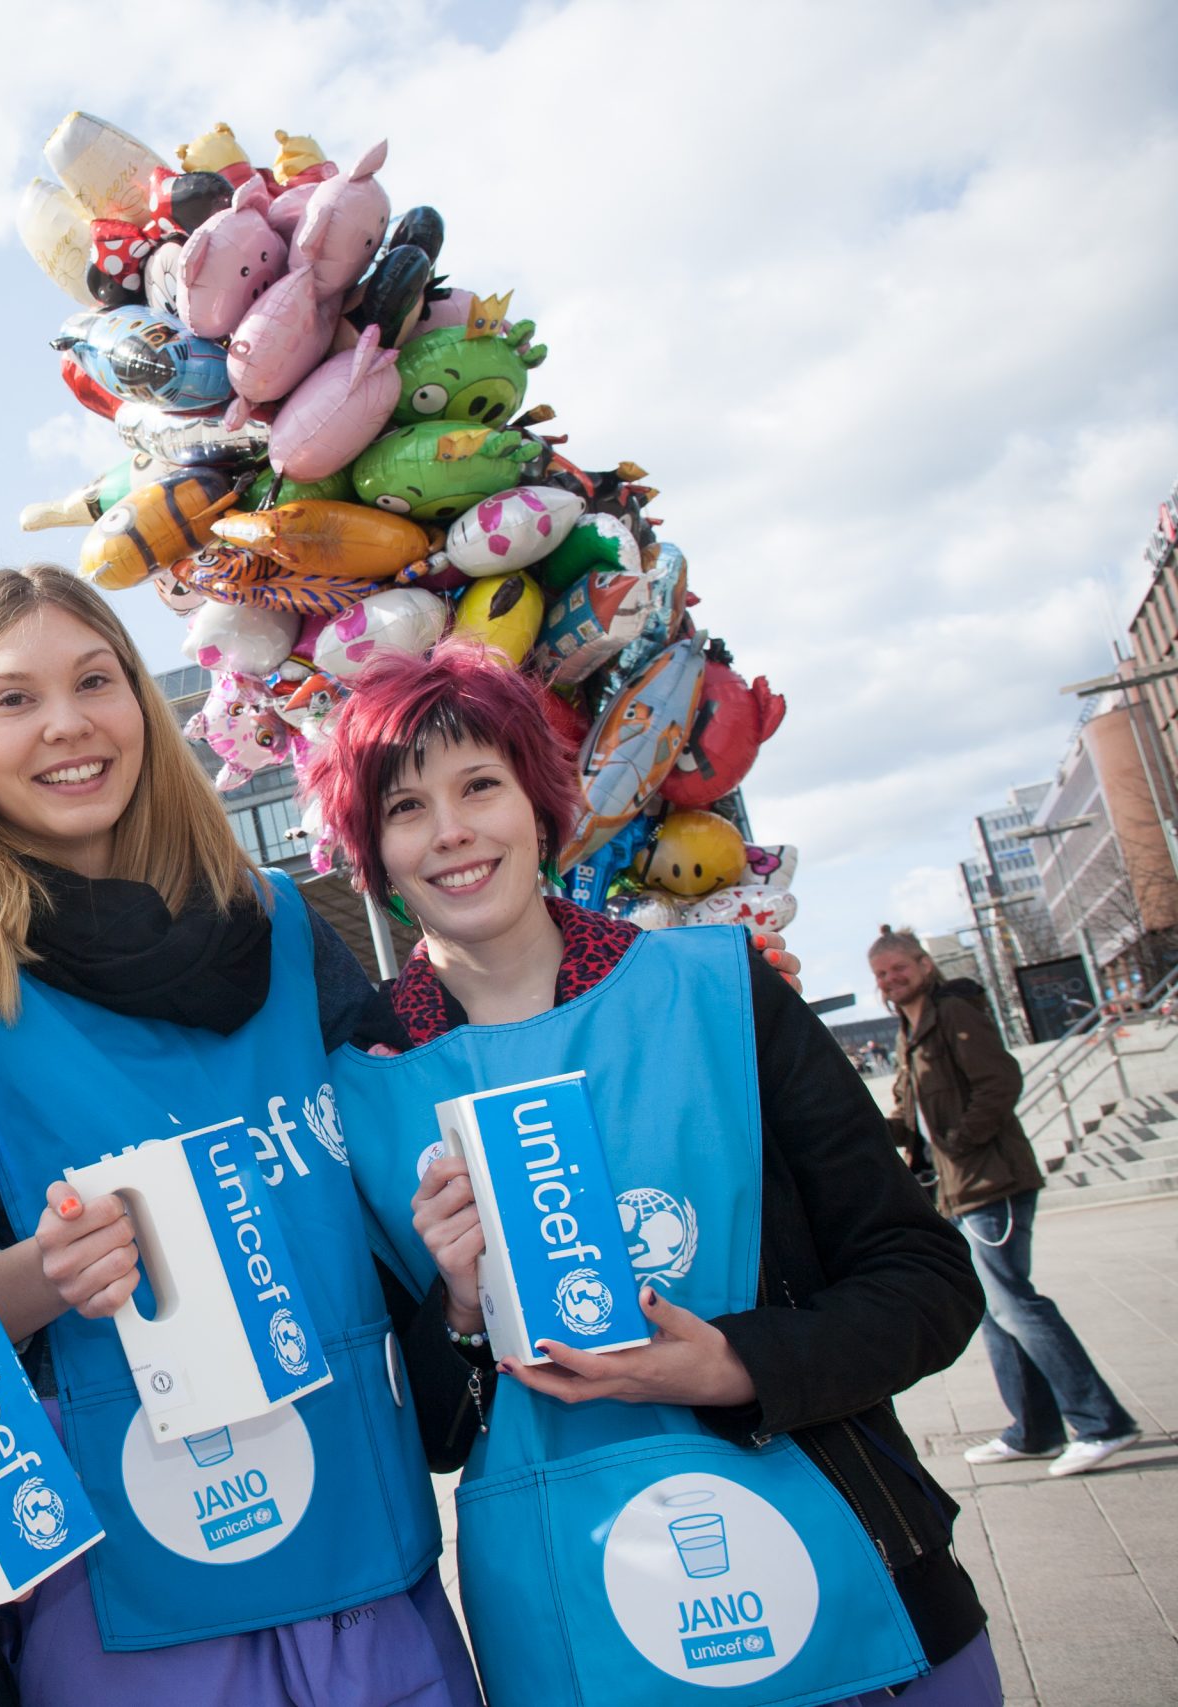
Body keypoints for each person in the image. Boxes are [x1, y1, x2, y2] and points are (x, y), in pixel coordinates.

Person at [310, 641, 1002, 1706]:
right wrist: (457, 1307)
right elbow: (428, 1436)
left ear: (540, 808)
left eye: (479, 785)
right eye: (405, 808)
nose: (449, 830)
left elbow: (923, 1279)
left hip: (858, 1569)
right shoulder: (360, 1091)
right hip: (574, 1617)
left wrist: (729, 1366)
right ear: (374, 853)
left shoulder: (718, 993)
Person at [0, 566, 477, 1707]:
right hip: (133, 1611)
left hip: (370, 1565)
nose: (68, 723)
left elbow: (401, 1203)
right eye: (13, 699)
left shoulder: (283, 932)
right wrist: (41, 1277)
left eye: (96, 679)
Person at [874, 927, 1141, 1477]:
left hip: (991, 1181)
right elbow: (913, 1115)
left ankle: (1101, 1423)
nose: (890, 980)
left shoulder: (952, 1012)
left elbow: (1000, 1082)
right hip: (959, 1186)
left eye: (899, 968)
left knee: (1016, 1303)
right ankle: (1034, 1430)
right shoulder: (911, 1028)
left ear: (924, 965)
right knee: (995, 1313)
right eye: (881, 974)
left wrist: (958, 1141)